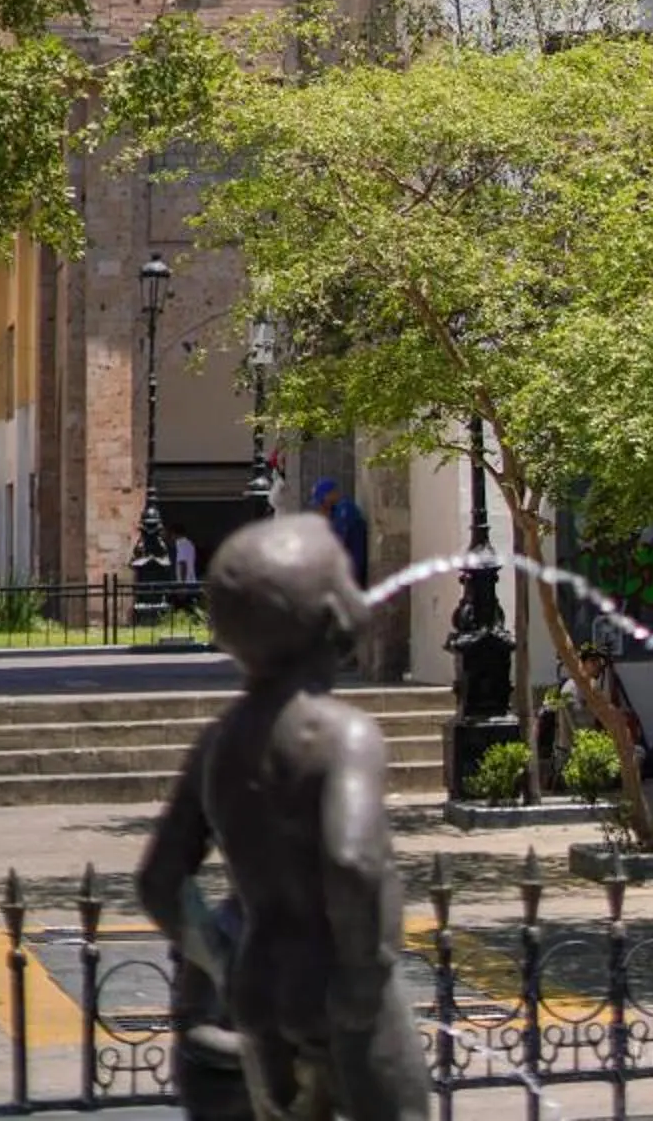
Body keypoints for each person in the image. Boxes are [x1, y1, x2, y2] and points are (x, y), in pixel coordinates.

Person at [137, 512, 429, 1121]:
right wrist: (361, 974)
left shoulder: (220, 742)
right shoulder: (343, 734)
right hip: (340, 991)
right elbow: (352, 859)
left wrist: (220, 953)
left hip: (258, 984)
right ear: (329, 613)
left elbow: (160, 880)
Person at [311, 480, 369, 589]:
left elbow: (339, 542)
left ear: (331, 494)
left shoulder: (345, 509)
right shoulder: (334, 512)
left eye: (323, 500)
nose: (321, 505)